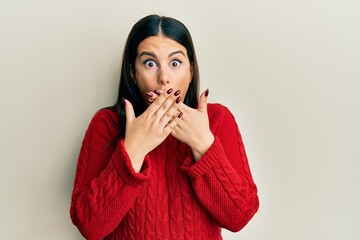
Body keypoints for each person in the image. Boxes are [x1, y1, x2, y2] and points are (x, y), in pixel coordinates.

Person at [70, 14, 259, 240]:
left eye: (175, 63)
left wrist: (203, 145)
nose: (164, 78)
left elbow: (239, 217)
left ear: (190, 70)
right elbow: (90, 226)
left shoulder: (218, 119)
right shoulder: (107, 124)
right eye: (150, 63)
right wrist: (134, 150)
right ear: (132, 73)